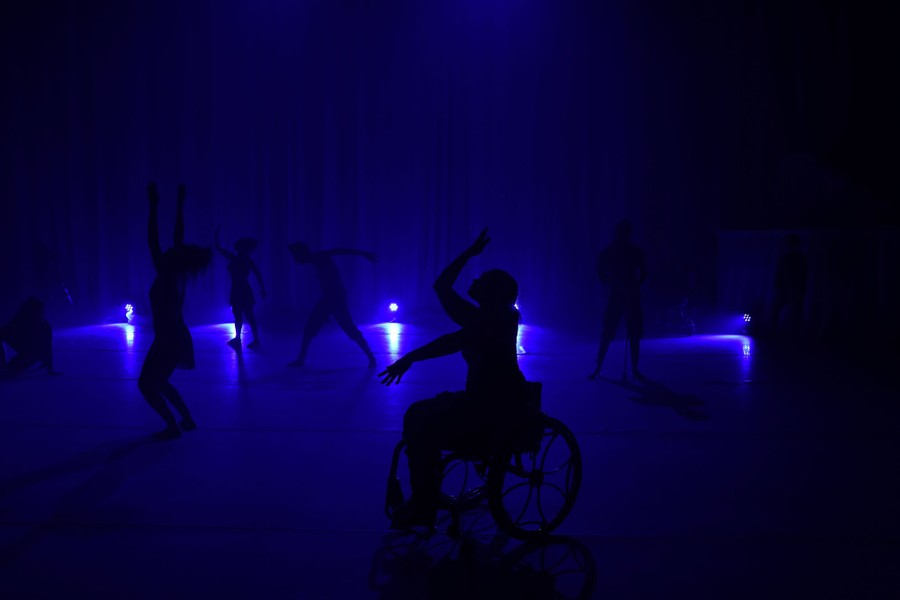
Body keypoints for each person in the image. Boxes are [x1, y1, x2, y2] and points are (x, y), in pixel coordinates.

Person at [379, 229, 526, 529]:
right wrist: (469, 253)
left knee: (425, 429)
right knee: (416, 414)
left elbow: (451, 341)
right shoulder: (485, 317)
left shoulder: (495, 322)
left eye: (482, 281)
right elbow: (442, 286)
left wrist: (409, 358)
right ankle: (424, 496)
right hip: (481, 400)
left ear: (493, 294)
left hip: (493, 406)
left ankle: (423, 503)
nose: (474, 281)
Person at [139, 183, 211, 440]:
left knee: (146, 384)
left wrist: (155, 206)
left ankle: (173, 427)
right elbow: (164, 241)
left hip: (170, 338)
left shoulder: (170, 274)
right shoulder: (171, 273)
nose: (167, 251)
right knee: (157, 382)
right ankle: (186, 420)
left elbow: (155, 240)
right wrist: (176, 204)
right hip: (173, 336)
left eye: (171, 252)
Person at [287, 241, 377, 368]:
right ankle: (301, 359)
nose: (295, 259)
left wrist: (364, 254)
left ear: (302, 253)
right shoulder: (316, 260)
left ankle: (371, 358)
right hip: (329, 298)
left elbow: (338, 250)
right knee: (311, 328)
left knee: (348, 328)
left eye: (295, 255)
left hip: (335, 297)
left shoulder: (319, 257)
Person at [589, 219, 648, 381]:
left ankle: (631, 368)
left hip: (627, 294)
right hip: (619, 295)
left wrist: (631, 284)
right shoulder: (612, 252)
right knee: (610, 331)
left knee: (632, 333)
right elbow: (601, 275)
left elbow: (643, 273)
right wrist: (617, 282)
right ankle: (600, 366)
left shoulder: (624, 252)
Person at [215, 226, 266, 350]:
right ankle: (241, 339)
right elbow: (220, 249)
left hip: (241, 289)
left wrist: (263, 288)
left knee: (246, 315)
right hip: (239, 289)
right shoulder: (239, 259)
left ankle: (251, 340)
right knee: (242, 315)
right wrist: (263, 288)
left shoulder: (241, 259)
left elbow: (257, 273)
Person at [0, 296, 60, 378]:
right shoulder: (19, 322)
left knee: (18, 365)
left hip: (30, 352)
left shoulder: (44, 325)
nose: (43, 314)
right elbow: (3, 333)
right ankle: (9, 366)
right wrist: (2, 362)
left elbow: (47, 346)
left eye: (42, 311)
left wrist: (49, 366)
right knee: (15, 366)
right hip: (25, 348)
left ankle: (11, 365)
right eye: (40, 311)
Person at [770, 233, 808, 336]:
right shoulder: (798, 258)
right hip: (791, 288)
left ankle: (782, 333)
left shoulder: (790, 258)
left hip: (789, 288)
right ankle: (792, 334)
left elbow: (781, 273)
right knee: (792, 312)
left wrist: (777, 285)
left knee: (786, 311)